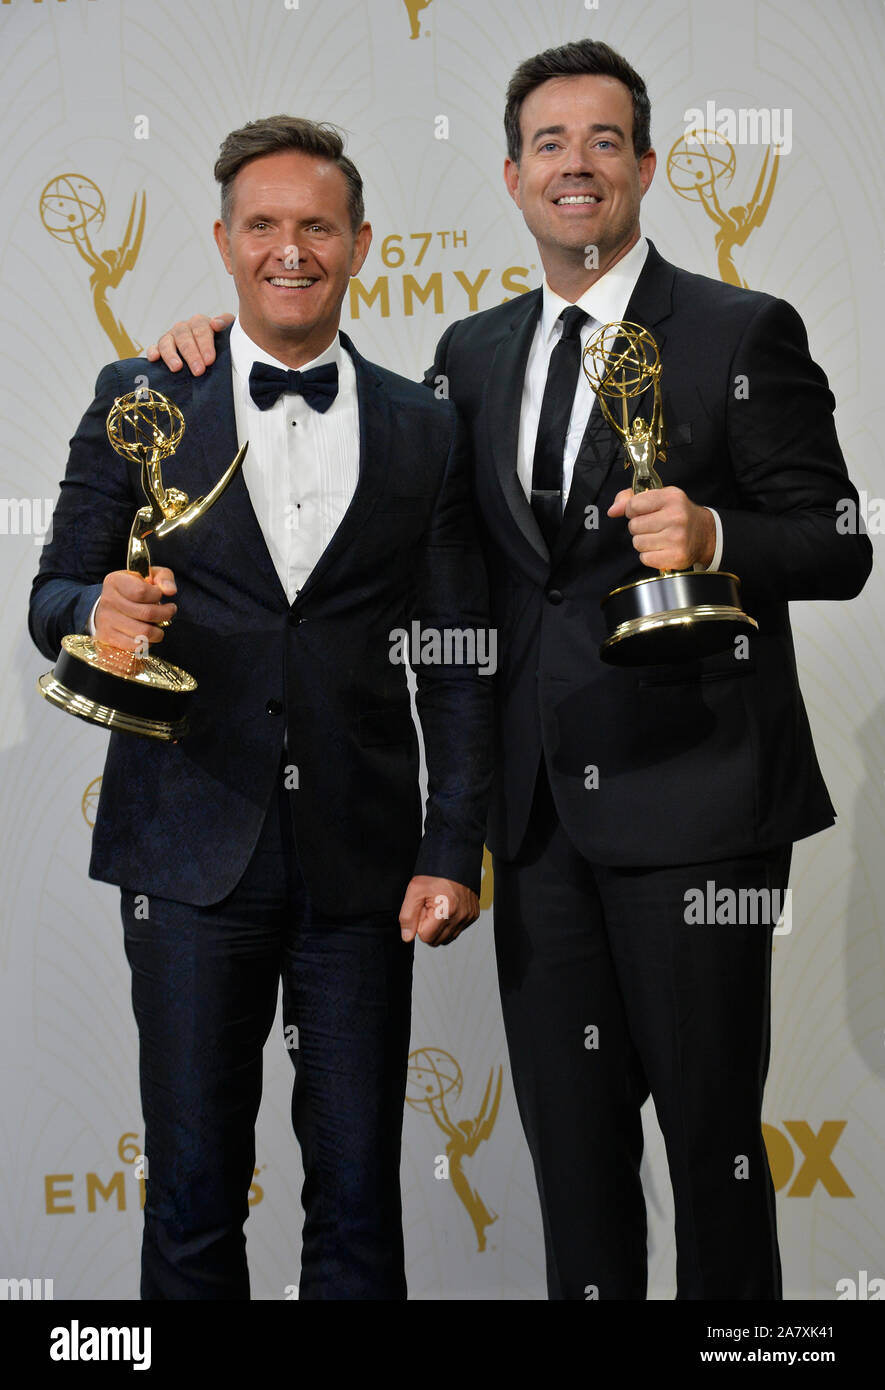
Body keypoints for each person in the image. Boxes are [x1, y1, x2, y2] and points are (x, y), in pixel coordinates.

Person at [148, 41, 873, 1300]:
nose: (575, 167)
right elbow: (362, 456)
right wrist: (221, 337)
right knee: (573, 1169)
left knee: (713, 1158)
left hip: (700, 811)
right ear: (511, 174)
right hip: (539, 834)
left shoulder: (740, 330)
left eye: (603, 143)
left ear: (645, 167)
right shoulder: (468, 358)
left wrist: (715, 536)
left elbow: (842, 545)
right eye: (549, 144)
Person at [29, 116, 492, 1301]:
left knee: (355, 1200)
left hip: (361, 866)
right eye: (266, 226)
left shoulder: (425, 427)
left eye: (317, 226)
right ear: (227, 241)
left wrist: (453, 845)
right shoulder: (146, 394)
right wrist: (101, 613)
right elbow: (53, 591)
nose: (292, 249)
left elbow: (453, 657)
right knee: (191, 1191)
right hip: (187, 854)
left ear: (362, 243)